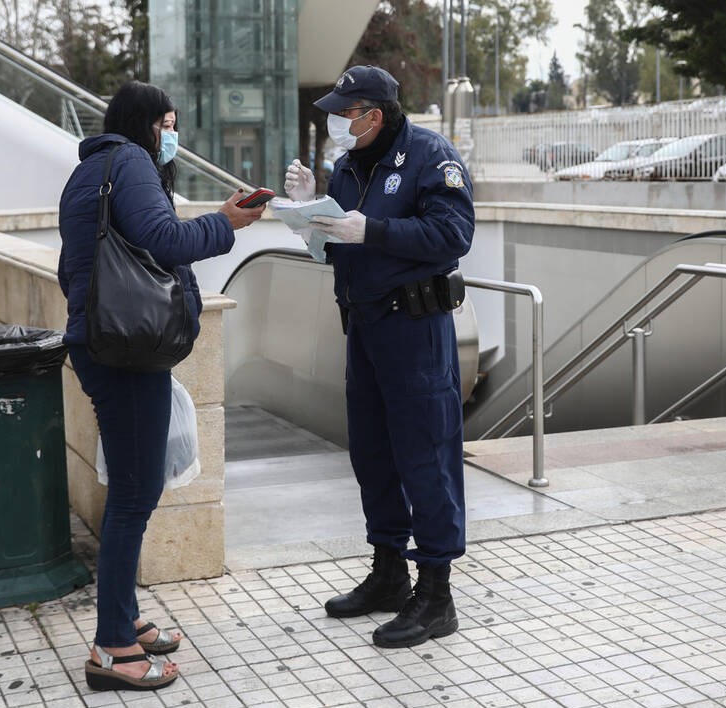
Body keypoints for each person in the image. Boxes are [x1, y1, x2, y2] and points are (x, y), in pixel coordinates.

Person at [58, 80, 265, 690]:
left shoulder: (90, 170)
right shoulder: (131, 163)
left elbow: (77, 265)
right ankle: (113, 650)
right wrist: (226, 222)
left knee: (133, 489)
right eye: (167, 124)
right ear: (145, 123)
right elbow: (166, 240)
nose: (172, 135)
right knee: (133, 495)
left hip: (102, 343)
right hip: (125, 353)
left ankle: (123, 618)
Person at [284, 65, 474, 649]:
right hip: (364, 327)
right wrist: (308, 219)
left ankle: (436, 594)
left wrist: (375, 232)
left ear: (375, 114)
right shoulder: (348, 166)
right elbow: (339, 246)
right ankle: (389, 571)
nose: (337, 123)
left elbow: (453, 234)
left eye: (346, 113)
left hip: (414, 329)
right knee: (373, 453)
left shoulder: (429, 156)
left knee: (426, 455)